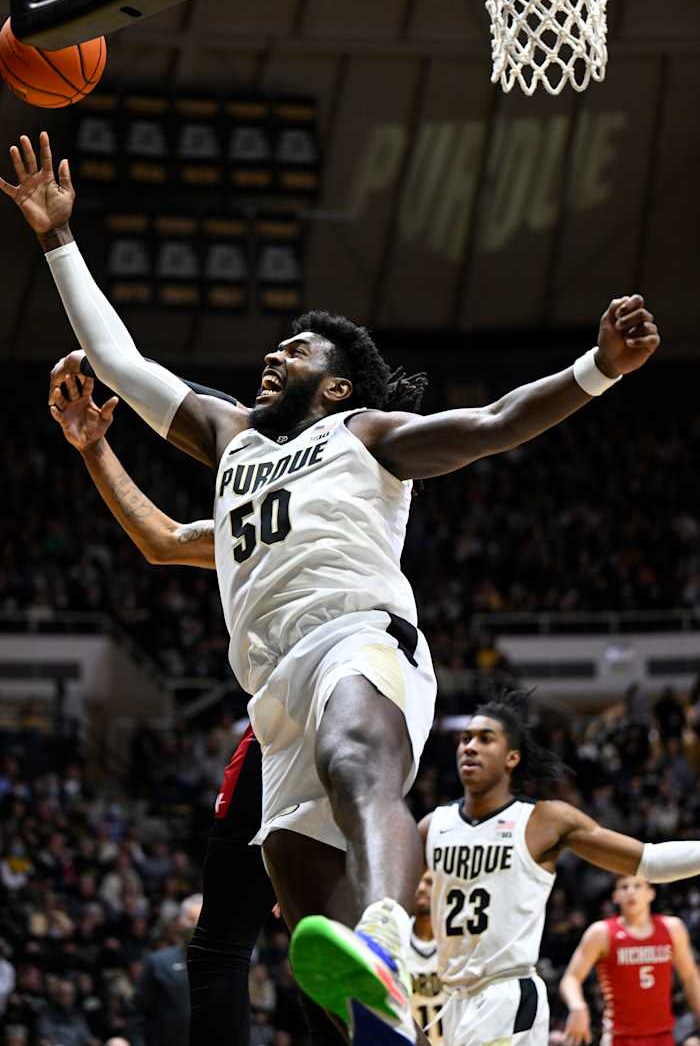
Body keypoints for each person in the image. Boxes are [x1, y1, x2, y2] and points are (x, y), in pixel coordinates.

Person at [1, 131, 661, 1045]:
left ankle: (392, 938)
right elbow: (127, 399)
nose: (274, 354)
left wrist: (598, 371)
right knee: (314, 939)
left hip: (360, 641)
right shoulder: (232, 442)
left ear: (338, 383)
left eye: (296, 351)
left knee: (361, 765)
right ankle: (375, 997)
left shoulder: (364, 434)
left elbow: (494, 422)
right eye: (275, 346)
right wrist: (57, 243)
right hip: (272, 698)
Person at [49, 376, 345, 1046]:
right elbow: (160, 540)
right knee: (250, 938)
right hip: (285, 725)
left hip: (346, 709)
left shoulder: (349, 479)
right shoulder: (260, 517)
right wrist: (94, 448)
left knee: (312, 931)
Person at [419, 691, 700, 1046]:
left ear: (512, 758)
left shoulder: (543, 820)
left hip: (506, 992)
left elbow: (651, 861)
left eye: (485, 739)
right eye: (466, 739)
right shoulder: (433, 826)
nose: (470, 747)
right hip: (450, 997)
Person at [560, 875, 700, 1046]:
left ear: (651, 893)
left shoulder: (672, 928)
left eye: (638, 886)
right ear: (615, 896)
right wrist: (577, 1006)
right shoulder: (601, 933)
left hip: (663, 1036)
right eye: (624, 887)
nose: (631, 891)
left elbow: (691, 977)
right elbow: (570, 978)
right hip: (619, 1037)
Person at [128, 894, 202, 1046]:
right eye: (191, 919)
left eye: (201, 920)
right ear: (179, 923)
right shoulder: (158, 963)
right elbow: (137, 1013)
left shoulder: (226, 965)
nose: (196, 926)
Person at [408, 872, 445, 1046]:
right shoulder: (397, 936)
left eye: (429, 882)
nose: (421, 888)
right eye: (417, 882)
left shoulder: (456, 941)